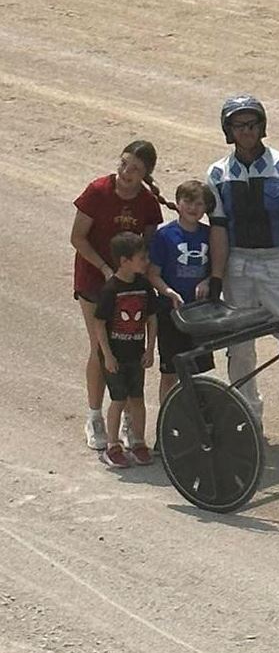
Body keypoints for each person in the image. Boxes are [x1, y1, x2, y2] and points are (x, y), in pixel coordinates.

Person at [204, 95, 279, 451]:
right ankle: (248, 418)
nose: (246, 131)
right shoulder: (216, 174)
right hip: (238, 264)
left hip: (277, 263)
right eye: (239, 126)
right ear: (229, 131)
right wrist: (217, 279)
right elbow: (219, 229)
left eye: (251, 124)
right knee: (240, 350)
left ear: (262, 126)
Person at [71, 141, 167, 451]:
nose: (126, 172)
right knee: (102, 348)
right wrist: (103, 268)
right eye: (124, 163)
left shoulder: (148, 203)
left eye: (135, 169)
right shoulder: (98, 191)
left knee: (128, 351)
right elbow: (78, 238)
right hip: (95, 280)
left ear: (145, 174)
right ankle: (95, 415)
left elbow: (149, 245)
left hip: (129, 285)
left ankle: (126, 417)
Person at [148, 179, 216, 415]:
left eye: (199, 204)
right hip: (171, 314)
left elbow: (218, 269)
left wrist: (208, 281)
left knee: (198, 371)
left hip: (199, 314)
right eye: (188, 201)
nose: (193, 208)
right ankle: (167, 419)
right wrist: (168, 291)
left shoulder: (209, 235)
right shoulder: (164, 235)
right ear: (178, 203)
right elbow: (153, 274)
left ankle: (195, 419)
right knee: (169, 373)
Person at [93, 232, 158, 468]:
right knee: (118, 400)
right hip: (116, 357)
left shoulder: (144, 285)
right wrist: (107, 355)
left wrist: (150, 349)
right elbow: (99, 323)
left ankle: (139, 442)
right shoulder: (111, 289)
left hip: (136, 354)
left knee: (138, 398)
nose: (146, 261)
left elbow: (151, 318)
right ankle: (113, 445)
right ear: (124, 261)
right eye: (141, 258)